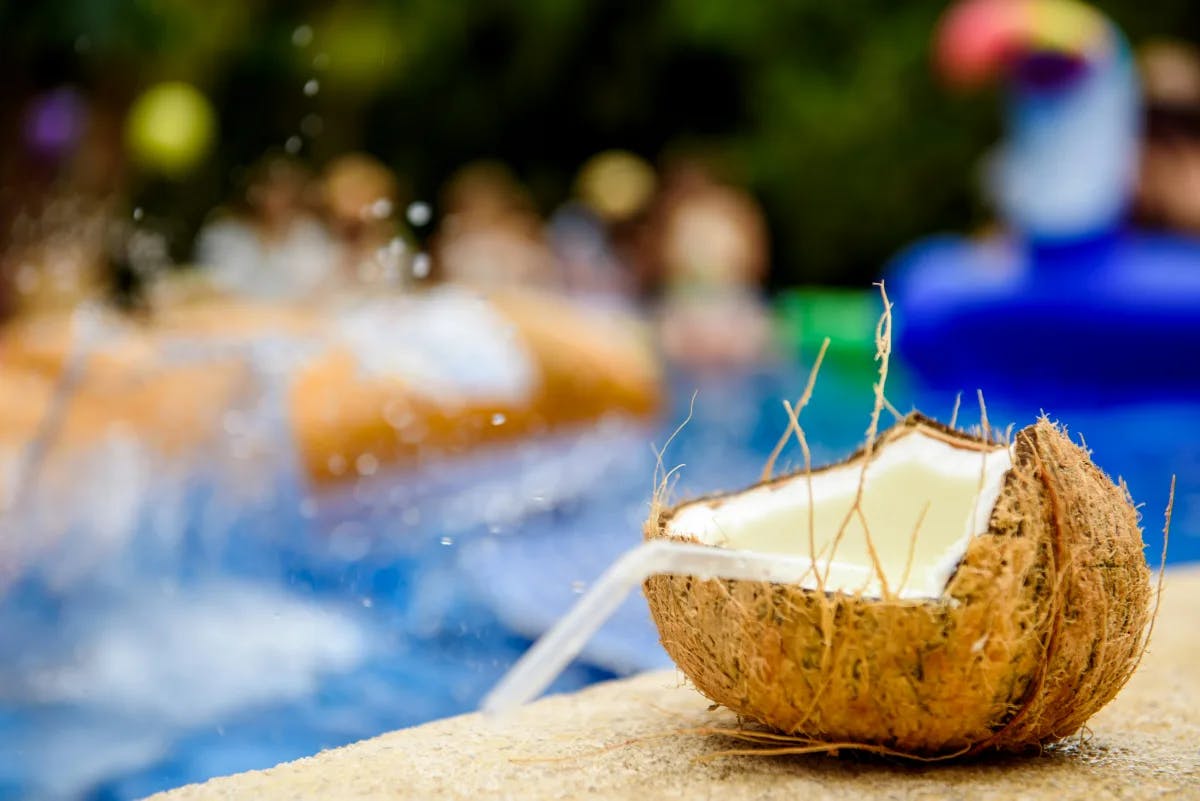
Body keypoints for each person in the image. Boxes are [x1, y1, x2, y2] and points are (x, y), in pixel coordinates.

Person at [195, 156, 337, 302]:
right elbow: (212, 288)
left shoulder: (308, 232)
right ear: (254, 192)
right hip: (236, 318)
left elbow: (320, 289)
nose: (280, 198)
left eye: (287, 189)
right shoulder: (225, 235)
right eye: (272, 189)